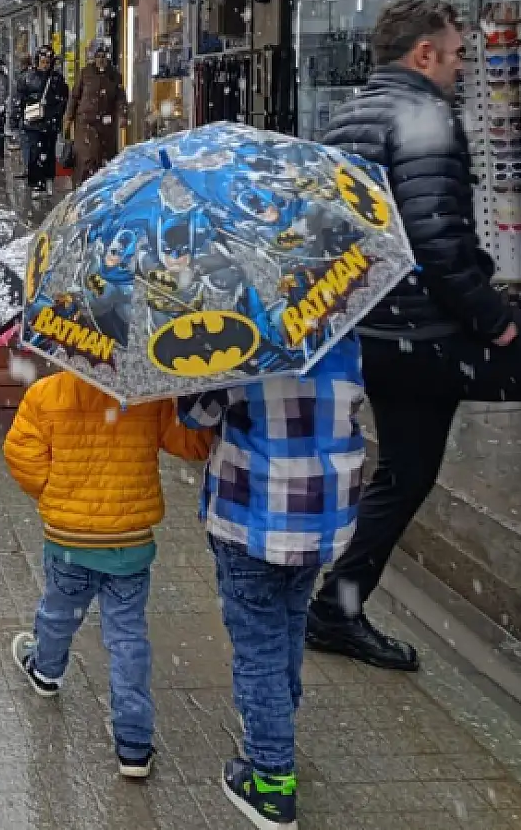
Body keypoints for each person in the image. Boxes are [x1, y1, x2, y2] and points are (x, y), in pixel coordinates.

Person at [308, 0, 521, 674]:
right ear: (424, 54)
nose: (462, 68)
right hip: (429, 330)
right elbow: (437, 241)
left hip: (380, 334)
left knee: (407, 474)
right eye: (456, 55)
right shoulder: (423, 114)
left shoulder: (348, 117)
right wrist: (493, 321)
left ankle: (336, 609)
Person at [181, 337, 365, 828]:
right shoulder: (342, 337)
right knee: (288, 625)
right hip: (321, 521)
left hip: (254, 520)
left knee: (258, 650)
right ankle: (278, 716)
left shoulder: (239, 343)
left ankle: (270, 781)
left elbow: (196, 415)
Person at [3, 369, 209, 779]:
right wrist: (190, 399)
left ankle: (46, 670)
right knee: (127, 637)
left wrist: (52, 491)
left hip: (69, 540)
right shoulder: (148, 393)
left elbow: (20, 452)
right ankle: (133, 742)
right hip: (129, 542)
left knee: (58, 612)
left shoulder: (48, 392)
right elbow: (192, 445)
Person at [64, 40, 125, 185]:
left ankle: (99, 187)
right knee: (86, 158)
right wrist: (68, 118)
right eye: (98, 56)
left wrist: (122, 115)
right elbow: (74, 96)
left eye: (104, 56)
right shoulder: (85, 73)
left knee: (104, 158)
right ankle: (82, 187)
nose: (101, 60)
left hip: (105, 125)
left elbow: (120, 98)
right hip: (85, 123)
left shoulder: (114, 75)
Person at [17, 47, 69, 194]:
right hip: (34, 121)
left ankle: (47, 179)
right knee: (35, 152)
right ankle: (37, 183)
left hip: (49, 122)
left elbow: (63, 99)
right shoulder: (29, 77)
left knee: (48, 152)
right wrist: (22, 114)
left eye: (47, 62)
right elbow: (21, 97)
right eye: (42, 61)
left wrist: (56, 114)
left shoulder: (56, 79)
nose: (45, 65)